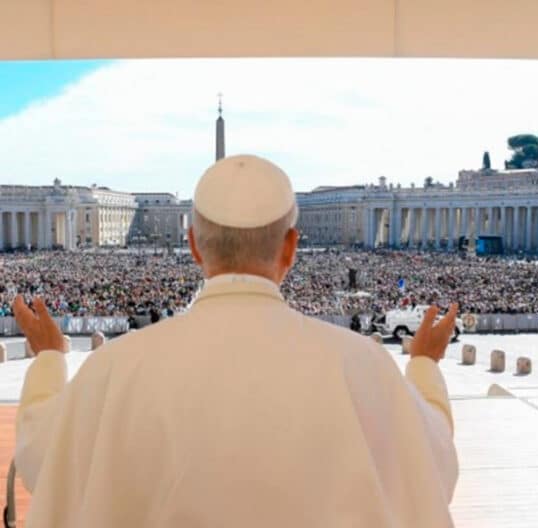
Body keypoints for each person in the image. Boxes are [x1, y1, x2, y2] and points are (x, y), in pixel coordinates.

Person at [13, 155, 459, 527]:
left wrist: (49, 358)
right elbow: (432, 468)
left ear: (193, 245)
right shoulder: (365, 365)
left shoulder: (113, 368)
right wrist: (424, 365)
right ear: (290, 248)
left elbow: (43, 459)